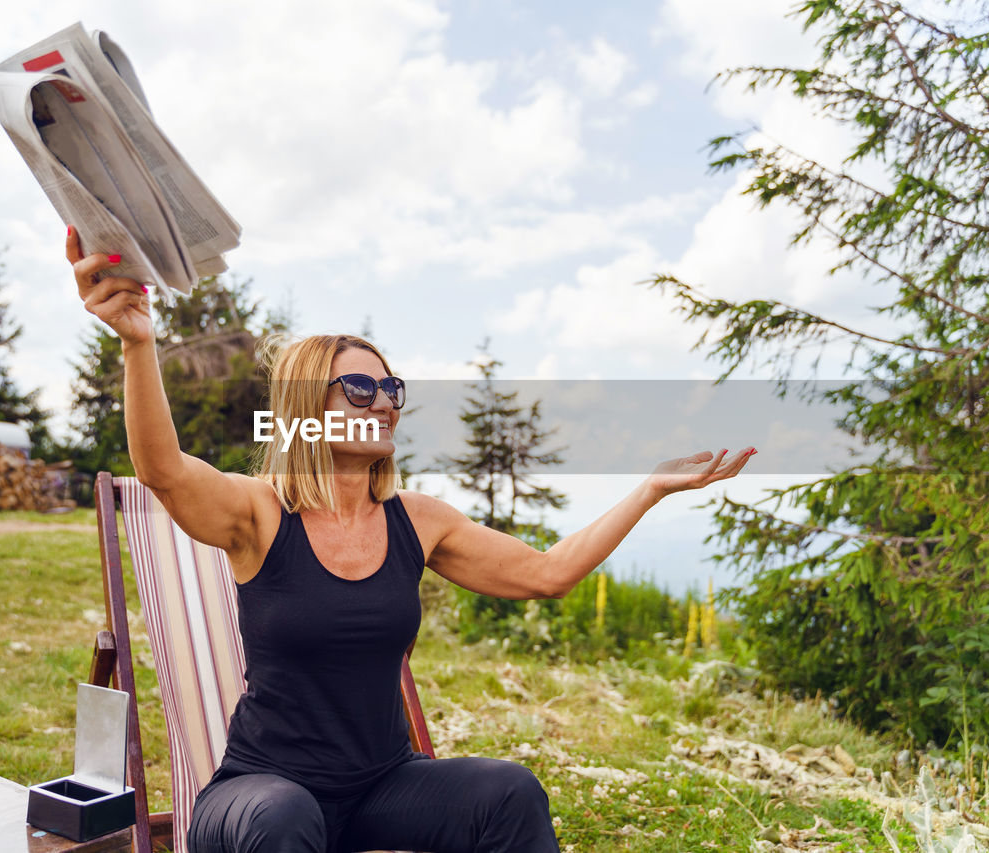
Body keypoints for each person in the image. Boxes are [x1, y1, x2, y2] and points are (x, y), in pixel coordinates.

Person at [67, 228, 756, 853]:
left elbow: (546, 572)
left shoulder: (418, 519)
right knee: (286, 819)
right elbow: (163, 470)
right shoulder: (259, 513)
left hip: (382, 786)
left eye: (390, 386)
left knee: (511, 793)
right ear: (309, 408)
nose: (386, 401)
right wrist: (138, 341)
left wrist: (649, 489)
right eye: (360, 388)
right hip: (258, 793)